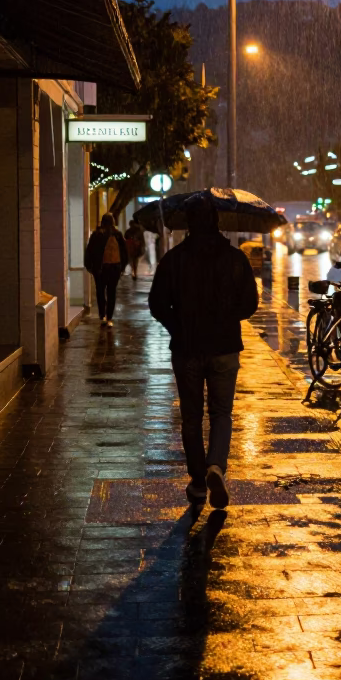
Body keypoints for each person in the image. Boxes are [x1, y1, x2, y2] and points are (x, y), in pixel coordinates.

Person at [148, 195, 258, 508]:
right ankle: (216, 466)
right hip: (224, 347)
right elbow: (250, 303)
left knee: (192, 417)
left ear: (189, 223)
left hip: (187, 349)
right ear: (217, 222)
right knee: (221, 412)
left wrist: (178, 326)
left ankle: (198, 481)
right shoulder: (235, 259)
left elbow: (157, 303)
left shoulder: (174, 259)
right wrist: (226, 318)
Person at [84, 213, 128, 327]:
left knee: (101, 292)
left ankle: (103, 316)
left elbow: (89, 251)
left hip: (101, 268)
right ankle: (108, 317)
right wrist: (123, 266)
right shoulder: (116, 234)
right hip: (113, 267)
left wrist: (89, 266)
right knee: (111, 292)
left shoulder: (97, 234)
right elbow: (124, 252)